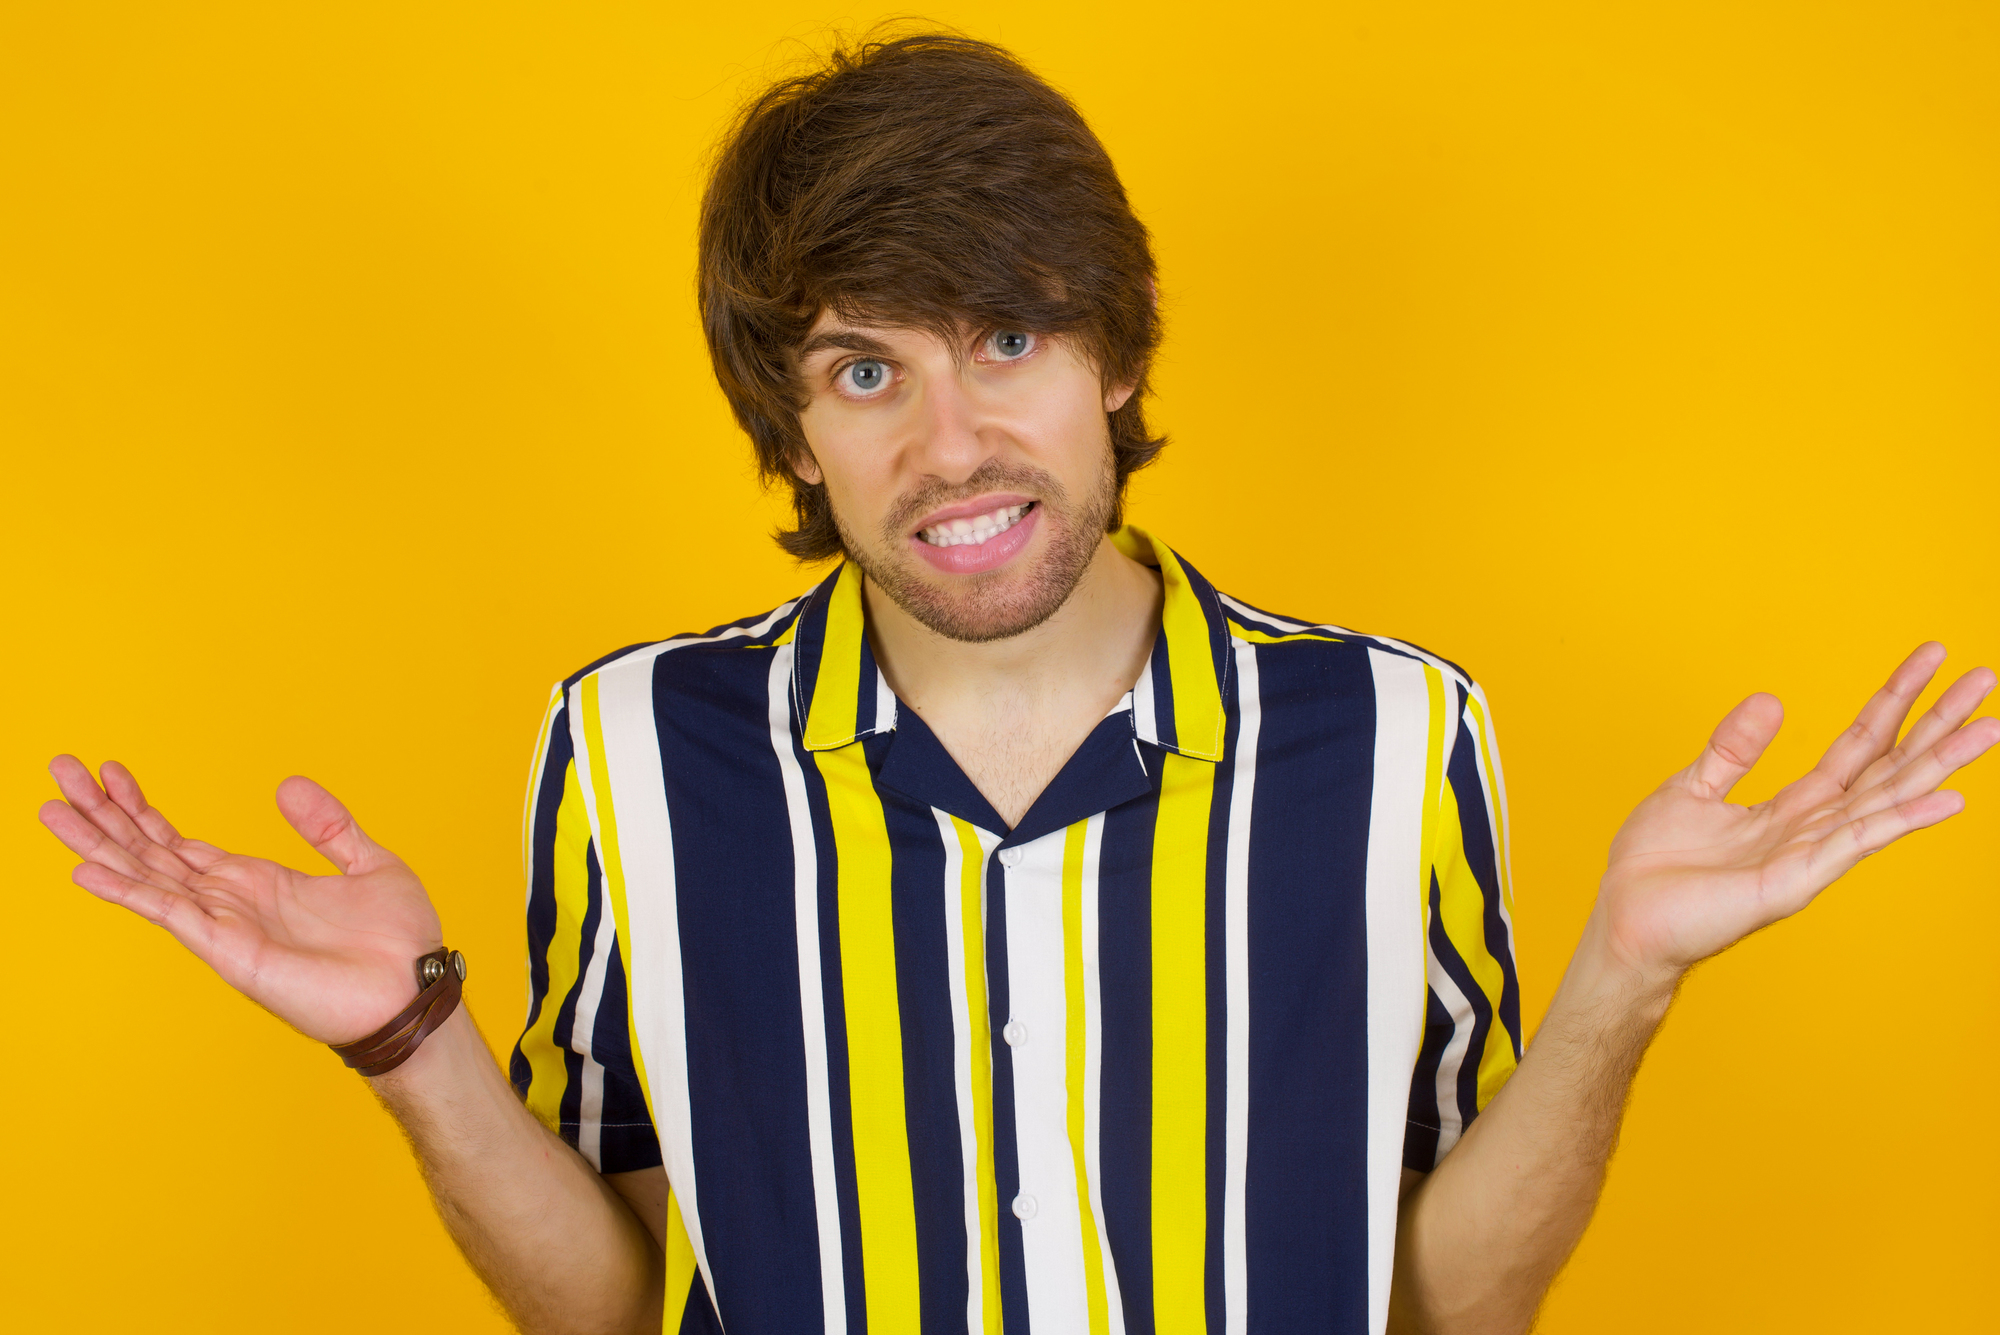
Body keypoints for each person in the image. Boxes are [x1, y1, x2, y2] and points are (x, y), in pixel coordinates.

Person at [37, 32, 1996, 1335]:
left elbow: (1437, 1299)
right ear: (792, 437)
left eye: (1006, 334)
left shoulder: (1398, 734)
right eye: (863, 370)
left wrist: (1622, 978)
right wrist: (408, 1040)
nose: (952, 441)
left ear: (1117, 360)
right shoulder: (632, 745)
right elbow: (620, 1300)